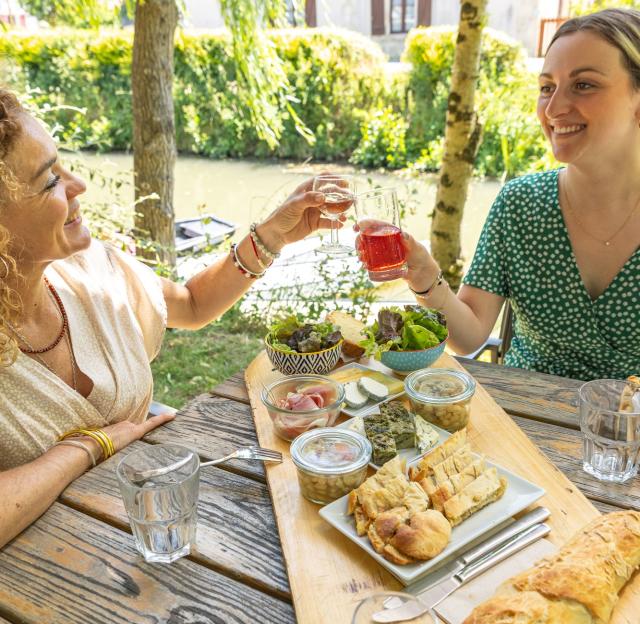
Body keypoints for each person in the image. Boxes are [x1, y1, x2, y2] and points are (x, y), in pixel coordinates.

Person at [0, 88, 344, 547]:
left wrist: (271, 237)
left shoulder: (94, 271)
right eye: (49, 181)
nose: (77, 184)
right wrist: (88, 446)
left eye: (62, 164)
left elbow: (191, 304)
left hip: (155, 540)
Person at [397, 7, 640, 381]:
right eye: (547, 88)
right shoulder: (520, 205)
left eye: (584, 84)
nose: (555, 109)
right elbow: (470, 334)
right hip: (520, 423)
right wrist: (428, 280)